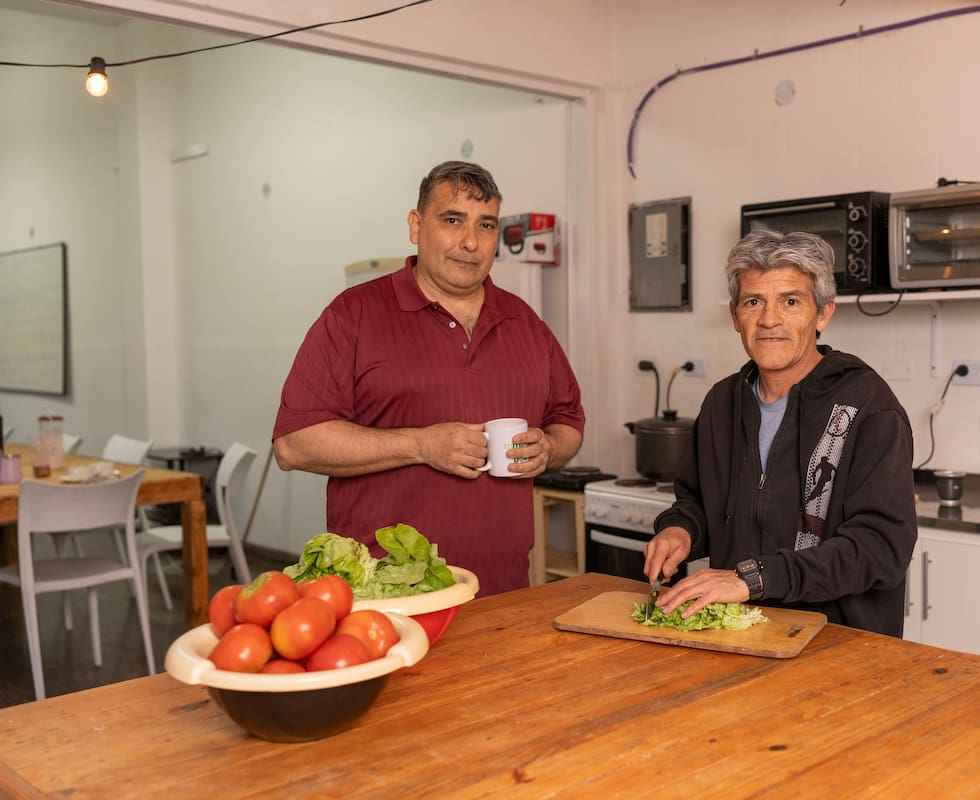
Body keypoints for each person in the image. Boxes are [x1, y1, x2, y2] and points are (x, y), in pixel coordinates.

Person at [272, 161, 585, 596]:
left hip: (504, 594)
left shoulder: (525, 322)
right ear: (416, 226)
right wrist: (420, 445)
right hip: (385, 600)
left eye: (486, 225)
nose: (470, 242)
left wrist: (549, 448)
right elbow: (293, 444)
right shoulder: (354, 315)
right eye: (452, 220)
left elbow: (567, 421)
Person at [643, 228, 916, 636]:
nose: (769, 319)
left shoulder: (868, 406)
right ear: (735, 316)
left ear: (822, 313)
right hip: (739, 636)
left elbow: (880, 549)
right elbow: (696, 501)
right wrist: (680, 529)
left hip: (839, 645)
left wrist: (753, 578)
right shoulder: (722, 403)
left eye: (790, 301)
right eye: (754, 302)